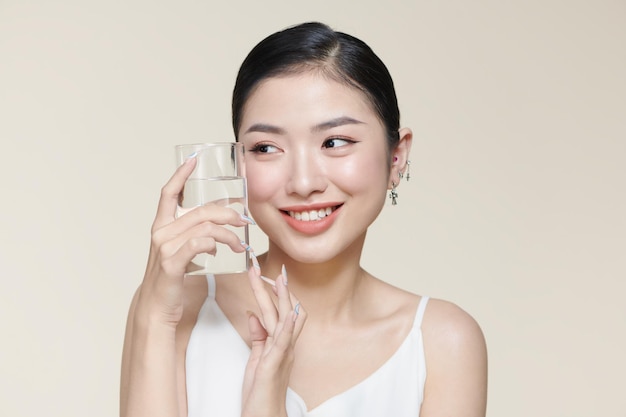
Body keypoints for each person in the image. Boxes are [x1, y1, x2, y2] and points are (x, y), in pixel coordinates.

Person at [120, 22, 487, 417]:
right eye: (266, 147)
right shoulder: (178, 312)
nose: (303, 182)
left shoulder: (441, 342)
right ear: (238, 162)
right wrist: (153, 314)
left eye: (334, 142)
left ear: (396, 156)